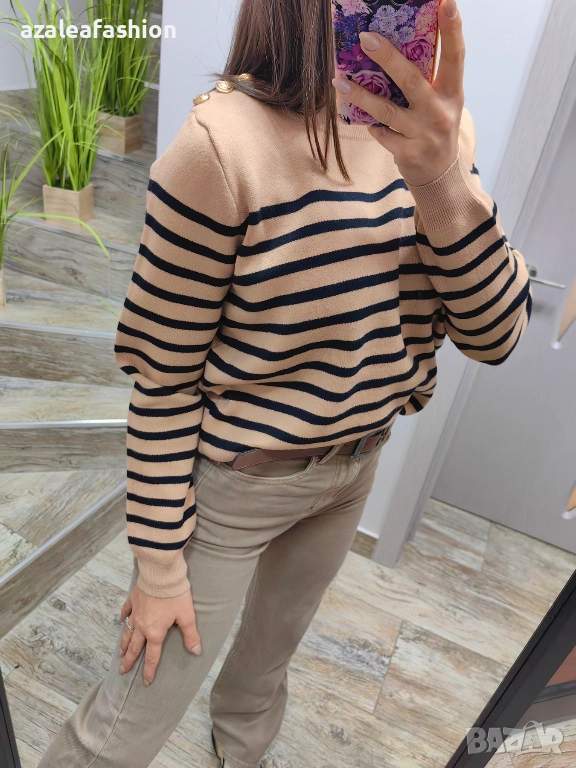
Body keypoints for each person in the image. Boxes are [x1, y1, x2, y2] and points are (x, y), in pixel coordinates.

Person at [39, 0, 531, 765]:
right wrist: (160, 566)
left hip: (353, 470)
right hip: (232, 489)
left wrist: (440, 178)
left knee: (267, 664)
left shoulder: (439, 135)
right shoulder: (222, 144)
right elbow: (163, 378)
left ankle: (243, 748)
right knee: (125, 725)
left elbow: (495, 335)